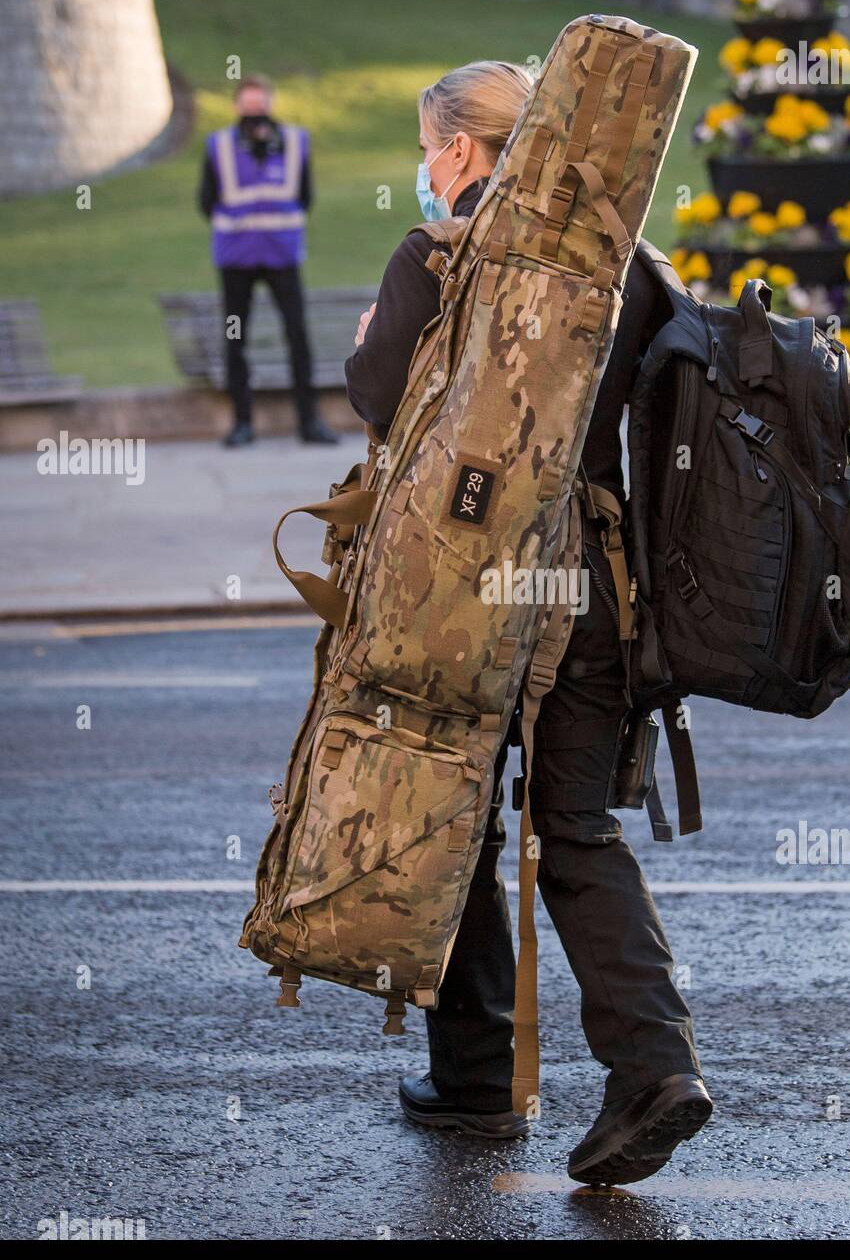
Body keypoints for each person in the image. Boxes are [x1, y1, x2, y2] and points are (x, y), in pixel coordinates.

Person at [345, 60, 711, 1186]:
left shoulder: (441, 253)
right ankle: (654, 1068)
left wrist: (372, 335)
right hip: (605, 597)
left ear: (458, 152)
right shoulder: (629, 262)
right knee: (579, 833)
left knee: (454, 816)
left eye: (428, 144)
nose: (425, 165)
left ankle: (477, 1081)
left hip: (470, 598)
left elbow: (377, 398)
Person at [198, 73, 338, 448]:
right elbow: (205, 202)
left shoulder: (295, 142)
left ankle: (310, 422)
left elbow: (306, 196)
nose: (255, 113)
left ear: (270, 104)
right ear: (237, 106)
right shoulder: (219, 146)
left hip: (282, 255)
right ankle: (241, 423)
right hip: (235, 260)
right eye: (248, 105)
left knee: (296, 335)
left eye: (260, 104)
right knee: (235, 336)